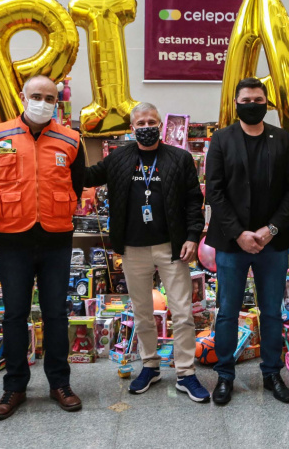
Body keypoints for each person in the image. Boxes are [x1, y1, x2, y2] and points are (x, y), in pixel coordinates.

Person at [83, 102, 209, 402]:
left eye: (152, 121)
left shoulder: (179, 159)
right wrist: (72, 140)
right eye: (140, 123)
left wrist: (193, 236)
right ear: (131, 128)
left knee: (182, 313)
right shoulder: (118, 159)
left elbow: (194, 200)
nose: (146, 126)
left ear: (160, 125)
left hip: (172, 248)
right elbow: (86, 177)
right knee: (142, 313)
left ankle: (186, 372)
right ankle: (150, 365)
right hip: (132, 248)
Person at [0, 75, 85, 420]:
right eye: (36, 95)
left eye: (49, 97)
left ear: (58, 102)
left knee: (56, 314)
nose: (42, 102)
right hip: (13, 237)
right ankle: (14, 387)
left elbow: (77, 184)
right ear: (23, 96)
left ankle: (59, 384)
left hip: (56, 238)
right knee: (14, 315)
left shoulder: (71, 139)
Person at [205, 78, 289, 405]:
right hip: (232, 244)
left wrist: (271, 229)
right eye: (246, 99)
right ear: (236, 104)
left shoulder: (281, 137)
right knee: (228, 310)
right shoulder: (221, 139)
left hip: (272, 243)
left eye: (258, 99)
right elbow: (214, 191)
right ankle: (225, 375)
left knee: (272, 311)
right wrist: (239, 233)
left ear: (266, 102)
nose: (252, 104)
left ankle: (272, 372)